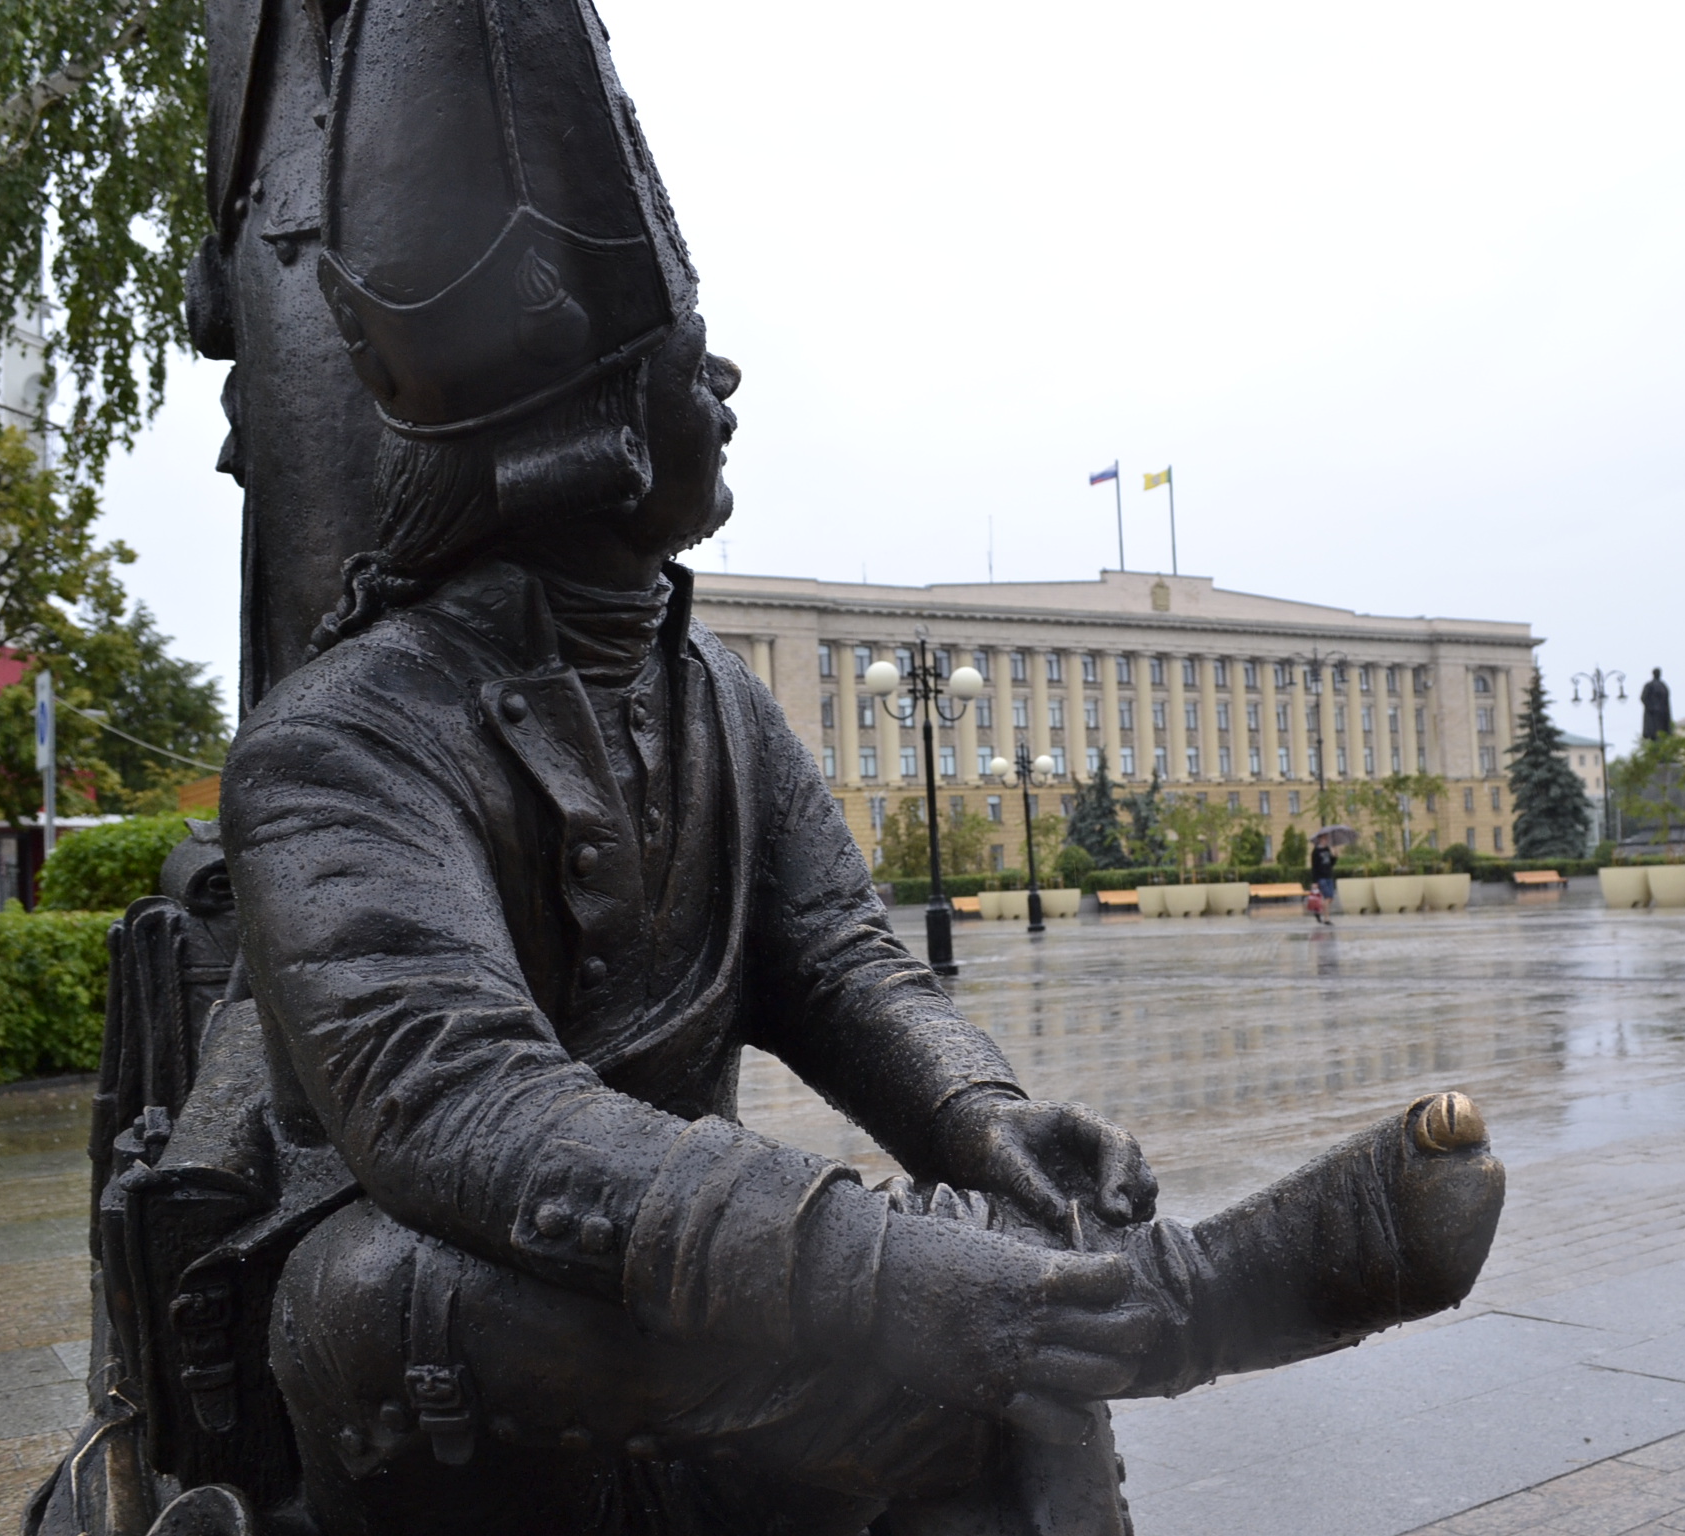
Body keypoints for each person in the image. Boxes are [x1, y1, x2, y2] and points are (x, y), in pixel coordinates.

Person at [160, 5, 1508, 1532]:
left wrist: (978, 1117)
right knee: (468, 1283)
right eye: (685, 362)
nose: (727, 384)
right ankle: (1171, 1308)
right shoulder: (338, 743)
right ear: (592, 436)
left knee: (965, 1267)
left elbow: (841, 963)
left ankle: (1097, 1308)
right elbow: (463, 1111)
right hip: (426, 1291)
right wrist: (883, 1272)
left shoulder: (720, 699)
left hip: (671, 1226)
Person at [1308, 836, 1339, 925]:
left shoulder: (1327, 849)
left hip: (1329, 876)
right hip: (1321, 878)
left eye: (1327, 839)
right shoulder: (1316, 852)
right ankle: (1326, 919)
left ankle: (1318, 911)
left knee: (1331, 898)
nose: (1326, 841)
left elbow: (1331, 863)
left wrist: (1335, 855)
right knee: (1327, 897)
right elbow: (1314, 867)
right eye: (1324, 839)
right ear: (1320, 840)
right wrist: (1314, 881)